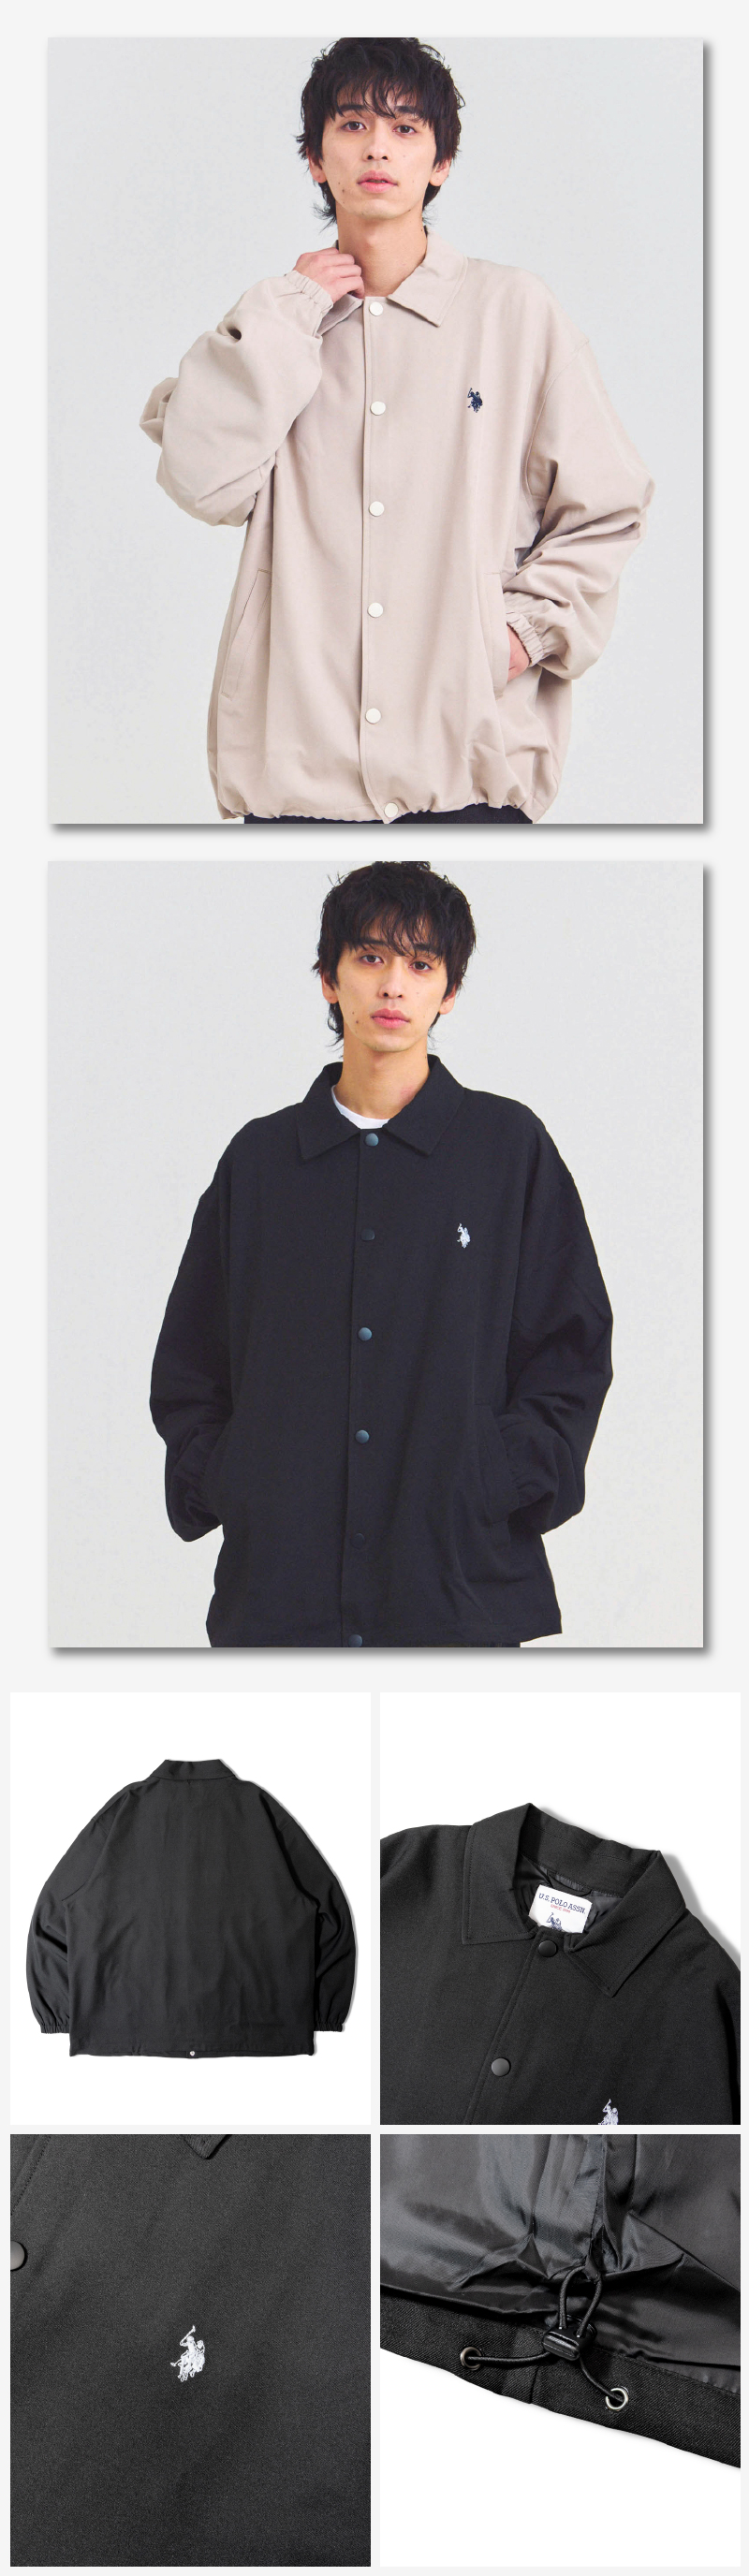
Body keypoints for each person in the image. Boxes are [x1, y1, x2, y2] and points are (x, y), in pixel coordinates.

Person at [140, 37, 654, 826]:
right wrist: (288, 314)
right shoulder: (278, 325)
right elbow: (202, 481)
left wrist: (514, 636)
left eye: (406, 128)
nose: (378, 147)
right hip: (296, 778)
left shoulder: (513, 313)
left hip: (469, 768)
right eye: (352, 125)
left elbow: (608, 506)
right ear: (315, 158)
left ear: (441, 162)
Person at [150, 859, 613, 1647]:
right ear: (329, 979)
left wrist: (499, 1475)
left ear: (450, 991)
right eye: (370, 958)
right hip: (279, 1595)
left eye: (421, 964)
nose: (393, 985)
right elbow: (192, 1360)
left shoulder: (506, 1149)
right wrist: (234, 1477)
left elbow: (571, 1345)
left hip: (458, 1589)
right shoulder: (260, 1162)